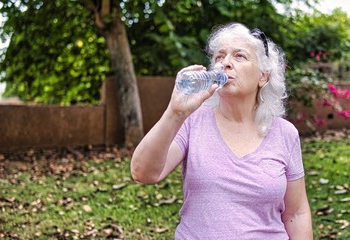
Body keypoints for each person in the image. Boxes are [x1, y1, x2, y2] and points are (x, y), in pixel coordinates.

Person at [131, 22, 313, 239]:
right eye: (219, 57)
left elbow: (296, 213)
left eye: (239, 56)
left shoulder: (285, 133)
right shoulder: (192, 121)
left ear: (263, 76)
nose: (225, 63)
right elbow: (143, 173)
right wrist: (174, 113)